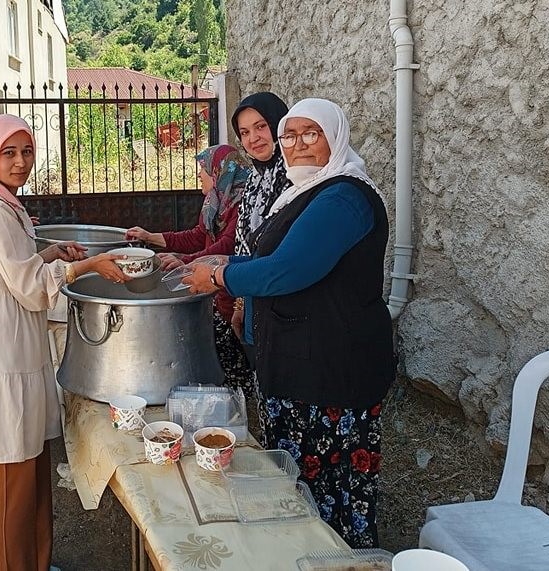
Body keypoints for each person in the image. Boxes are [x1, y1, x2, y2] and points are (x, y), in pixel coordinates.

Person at [183, 98, 395, 548]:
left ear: (335, 136)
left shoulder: (343, 197)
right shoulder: (305, 190)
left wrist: (220, 277)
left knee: (330, 487)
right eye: (290, 136)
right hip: (303, 361)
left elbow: (288, 270)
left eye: (310, 134)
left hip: (332, 369)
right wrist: (231, 272)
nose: (297, 145)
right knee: (299, 482)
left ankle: (338, 555)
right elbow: (271, 258)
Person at [0, 114, 126, 571]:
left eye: (27, 151)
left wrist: (50, 252)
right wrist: (88, 266)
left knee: (30, 468)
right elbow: (29, 285)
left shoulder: (2, 202)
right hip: (0, 350)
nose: (20, 162)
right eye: (8, 153)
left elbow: (13, 266)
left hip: (15, 343)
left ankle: (36, 561)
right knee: (11, 477)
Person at [125, 144, 257, 403]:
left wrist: (185, 262)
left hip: (232, 295)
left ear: (219, 173)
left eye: (204, 169)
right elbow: (198, 236)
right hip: (213, 293)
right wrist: (151, 237)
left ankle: (240, 410)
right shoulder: (215, 202)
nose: (199, 175)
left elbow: (226, 247)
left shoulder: (242, 205)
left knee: (235, 363)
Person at [229, 92, 290, 349]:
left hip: (287, 300)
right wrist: (241, 303)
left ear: (279, 125)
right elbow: (244, 243)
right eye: (244, 132)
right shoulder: (255, 179)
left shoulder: (296, 176)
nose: (253, 138)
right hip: (255, 294)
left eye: (261, 126)